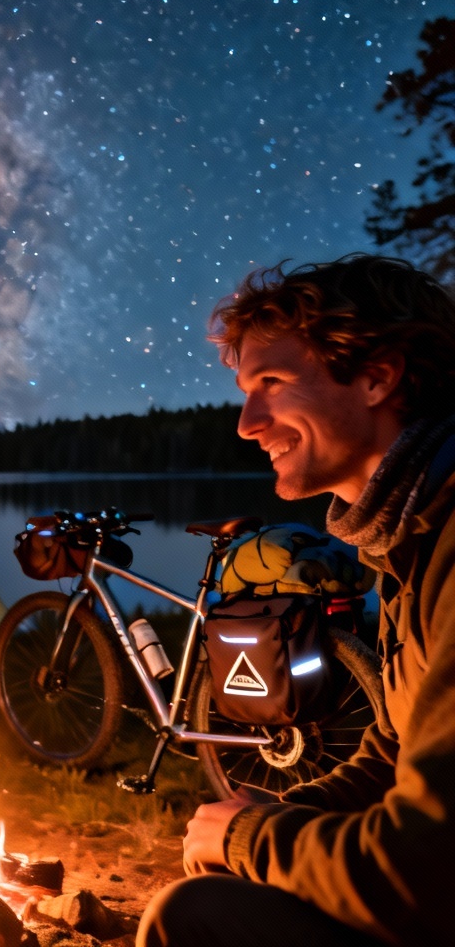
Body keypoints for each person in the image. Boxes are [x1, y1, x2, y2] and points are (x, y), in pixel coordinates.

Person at [137, 252, 455, 947]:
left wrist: (251, 837)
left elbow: (429, 871)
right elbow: (392, 753)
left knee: (192, 919)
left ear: (377, 377)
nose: (247, 423)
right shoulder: (407, 539)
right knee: (200, 903)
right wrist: (278, 811)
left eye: (273, 383)